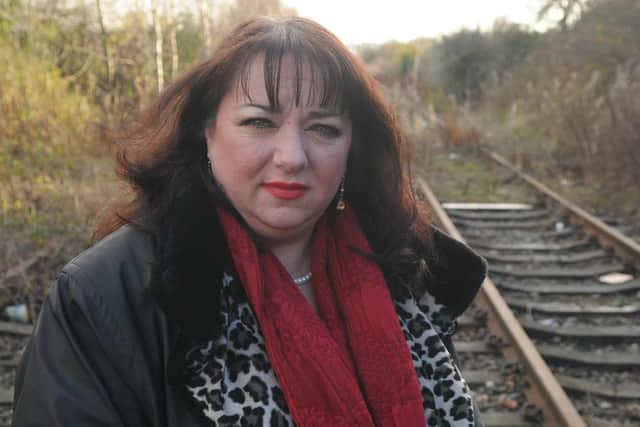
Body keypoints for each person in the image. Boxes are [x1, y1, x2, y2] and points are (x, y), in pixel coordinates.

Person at [12, 16, 486, 427]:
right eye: (259, 122)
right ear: (206, 129)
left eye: (323, 129)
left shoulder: (406, 274)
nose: (292, 157)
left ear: (351, 149)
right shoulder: (102, 298)